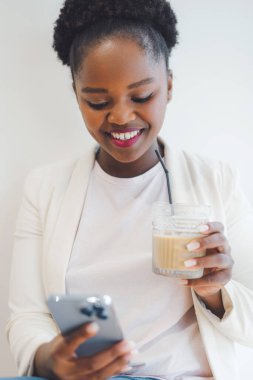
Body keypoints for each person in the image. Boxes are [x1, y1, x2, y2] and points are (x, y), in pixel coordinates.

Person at [6, 1, 253, 379]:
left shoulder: (216, 181)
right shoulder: (45, 188)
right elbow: (27, 317)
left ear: (168, 85)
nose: (121, 116)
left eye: (141, 97)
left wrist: (215, 294)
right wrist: (51, 358)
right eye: (98, 102)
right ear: (76, 94)